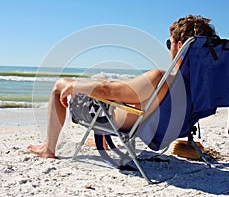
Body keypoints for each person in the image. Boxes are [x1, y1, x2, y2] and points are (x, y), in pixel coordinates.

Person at [28, 15, 217, 158]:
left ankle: (48, 149)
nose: (169, 48)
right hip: (171, 128)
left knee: (60, 87)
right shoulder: (202, 85)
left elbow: (105, 91)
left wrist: (74, 86)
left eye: (170, 43)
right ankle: (102, 140)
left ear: (180, 46)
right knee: (110, 87)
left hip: (118, 119)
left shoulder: (160, 79)